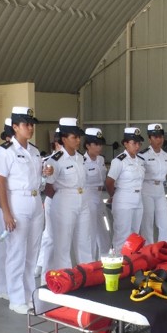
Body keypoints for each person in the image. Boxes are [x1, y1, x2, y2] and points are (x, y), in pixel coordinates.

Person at [0, 107, 51, 315]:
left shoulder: (34, 151)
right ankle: (16, 297)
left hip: (35, 201)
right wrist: (6, 213)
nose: (30, 128)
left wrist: (46, 173)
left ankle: (28, 295)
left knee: (31, 253)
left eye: (31, 124)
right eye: (26, 124)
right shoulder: (5, 152)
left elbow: (39, 180)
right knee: (16, 251)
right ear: (15, 127)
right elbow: (0, 183)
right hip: (17, 201)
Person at [43, 117, 92, 273]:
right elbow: (48, 184)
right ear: (64, 139)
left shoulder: (81, 158)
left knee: (84, 240)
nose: (78, 140)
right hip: (64, 200)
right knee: (63, 243)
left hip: (82, 199)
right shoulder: (55, 160)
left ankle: (88, 274)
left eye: (78, 137)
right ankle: (64, 277)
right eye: (74, 137)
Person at [106, 127, 146, 251]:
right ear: (126, 143)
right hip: (123, 198)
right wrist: (113, 196)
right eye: (134, 143)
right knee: (122, 235)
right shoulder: (119, 161)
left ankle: (130, 263)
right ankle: (118, 263)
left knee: (134, 234)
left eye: (139, 143)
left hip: (138, 199)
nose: (137, 146)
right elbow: (109, 182)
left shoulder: (140, 161)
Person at [0, 119, 14, 300]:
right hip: (2, 202)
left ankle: (14, 284)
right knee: (3, 245)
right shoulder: (1, 153)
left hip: (18, 201)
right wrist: (4, 210)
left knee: (17, 247)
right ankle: (2, 287)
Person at [139, 123, 167, 244]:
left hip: (160, 190)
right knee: (147, 224)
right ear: (149, 139)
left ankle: (163, 250)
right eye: (155, 137)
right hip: (147, 189)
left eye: (160, 137)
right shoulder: (143, 155)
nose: (159, 139)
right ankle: (148, 252)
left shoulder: (165, 155)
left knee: (166, 224)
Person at [36, 129, 62, 279]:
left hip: (68, 201)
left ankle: (41, 264)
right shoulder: (48, 161)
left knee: (52, 236)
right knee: (50, 236)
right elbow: (44, 184)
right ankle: (42, 266)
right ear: (57, 143)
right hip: (53, 200)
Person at [82, 127, 111, 258]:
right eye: (96, 144)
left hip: (99, 196)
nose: (99, 147)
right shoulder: (82, 162)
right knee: (91, 231)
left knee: (104, 229)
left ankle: (104, 258)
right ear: (88, 145)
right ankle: (91, 261)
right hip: (88, 195)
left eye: (101, 144)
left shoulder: (100, 160)